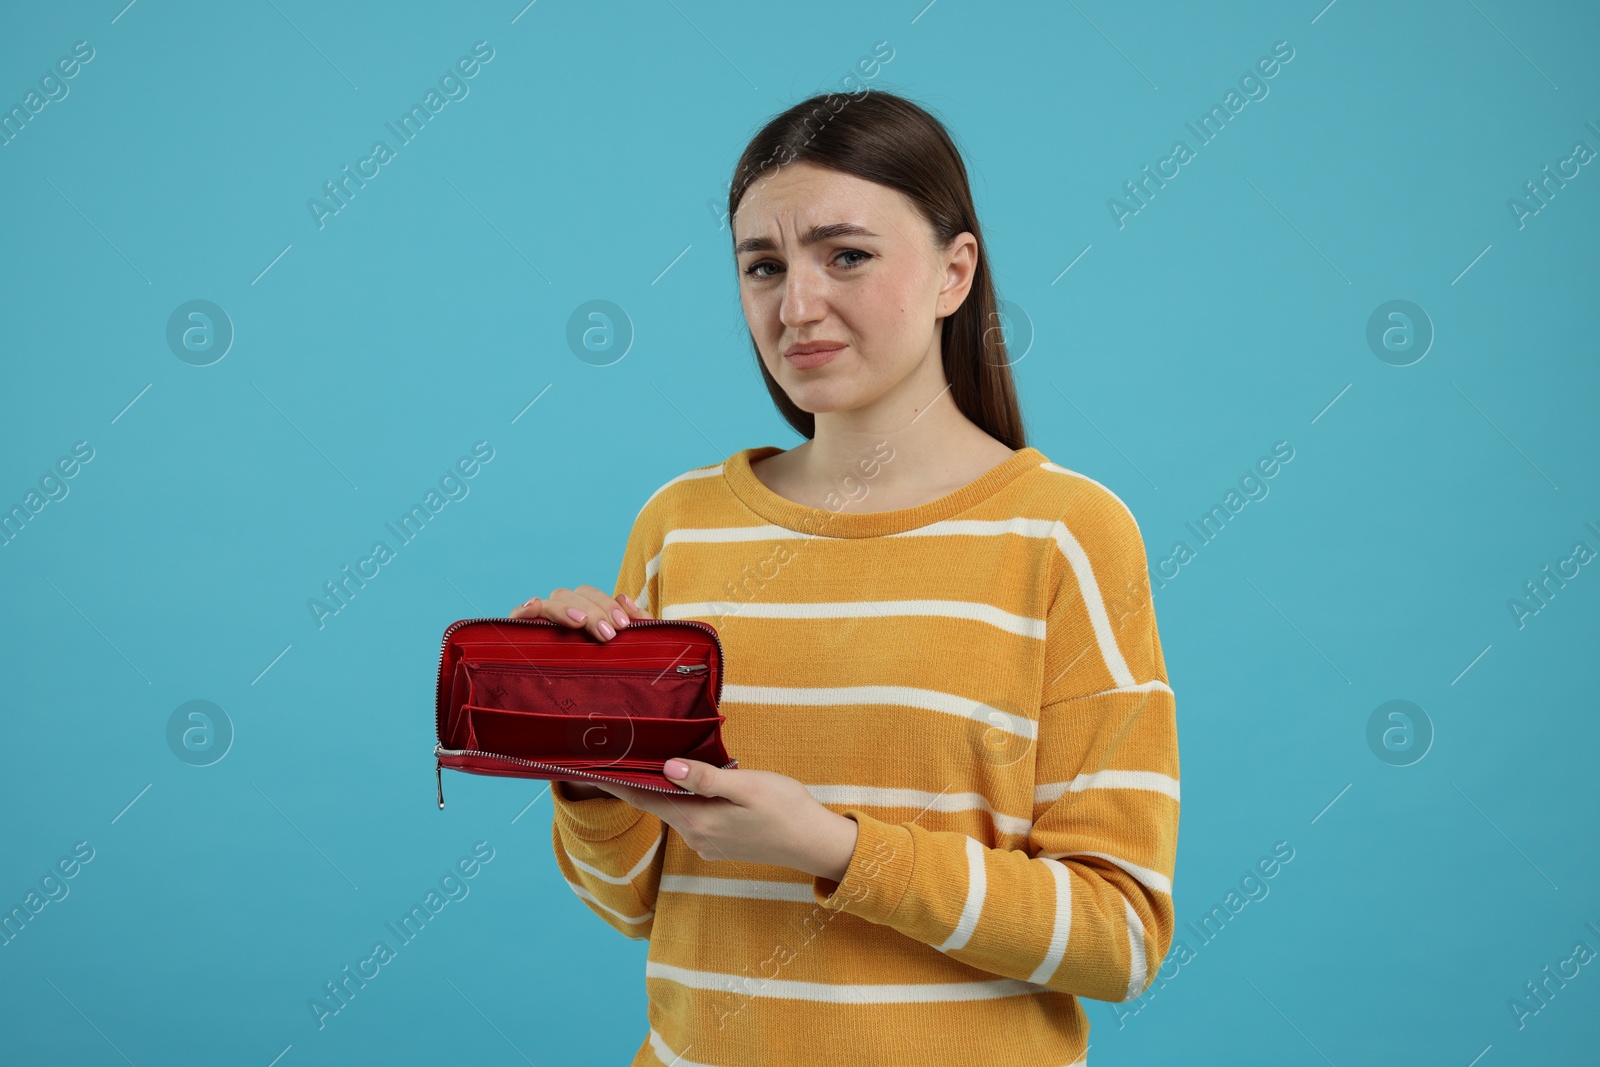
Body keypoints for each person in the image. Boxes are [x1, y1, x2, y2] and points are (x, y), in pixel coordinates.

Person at [510, 89, 1179, 1067]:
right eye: (763, 266)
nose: (796, 306)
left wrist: (834, 847)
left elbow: (1117, 938)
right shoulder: (678, 525)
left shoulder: (1066, 534)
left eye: (847, 255)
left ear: (956, 272)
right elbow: (629, 904)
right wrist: (583, 764)